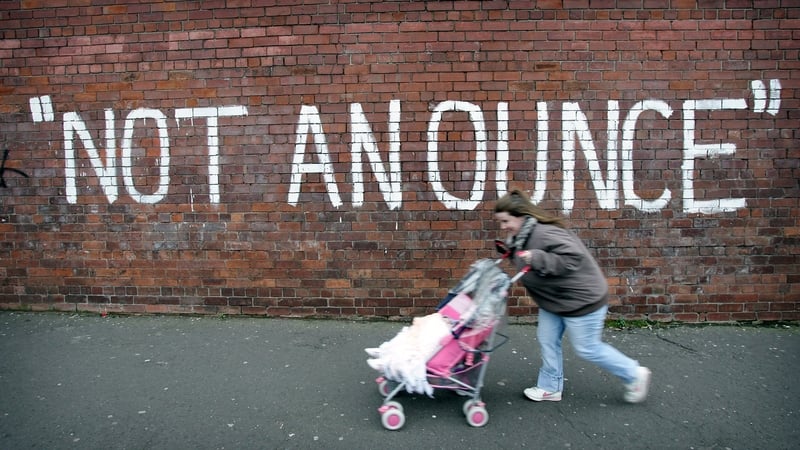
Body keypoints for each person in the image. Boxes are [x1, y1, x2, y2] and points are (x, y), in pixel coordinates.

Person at [493, 190, 651, 403]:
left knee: (588, 348)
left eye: (506, 221)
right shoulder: (521, 236)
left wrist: (537, 258)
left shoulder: (545, 233)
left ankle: (634, 374)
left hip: (581, 300)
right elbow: (527, 258)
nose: (503, 227)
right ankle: (550, 387)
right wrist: (511, 252)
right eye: (500, 222)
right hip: (555, 301)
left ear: (521, 215)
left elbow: (573, 258)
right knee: (547, 339)